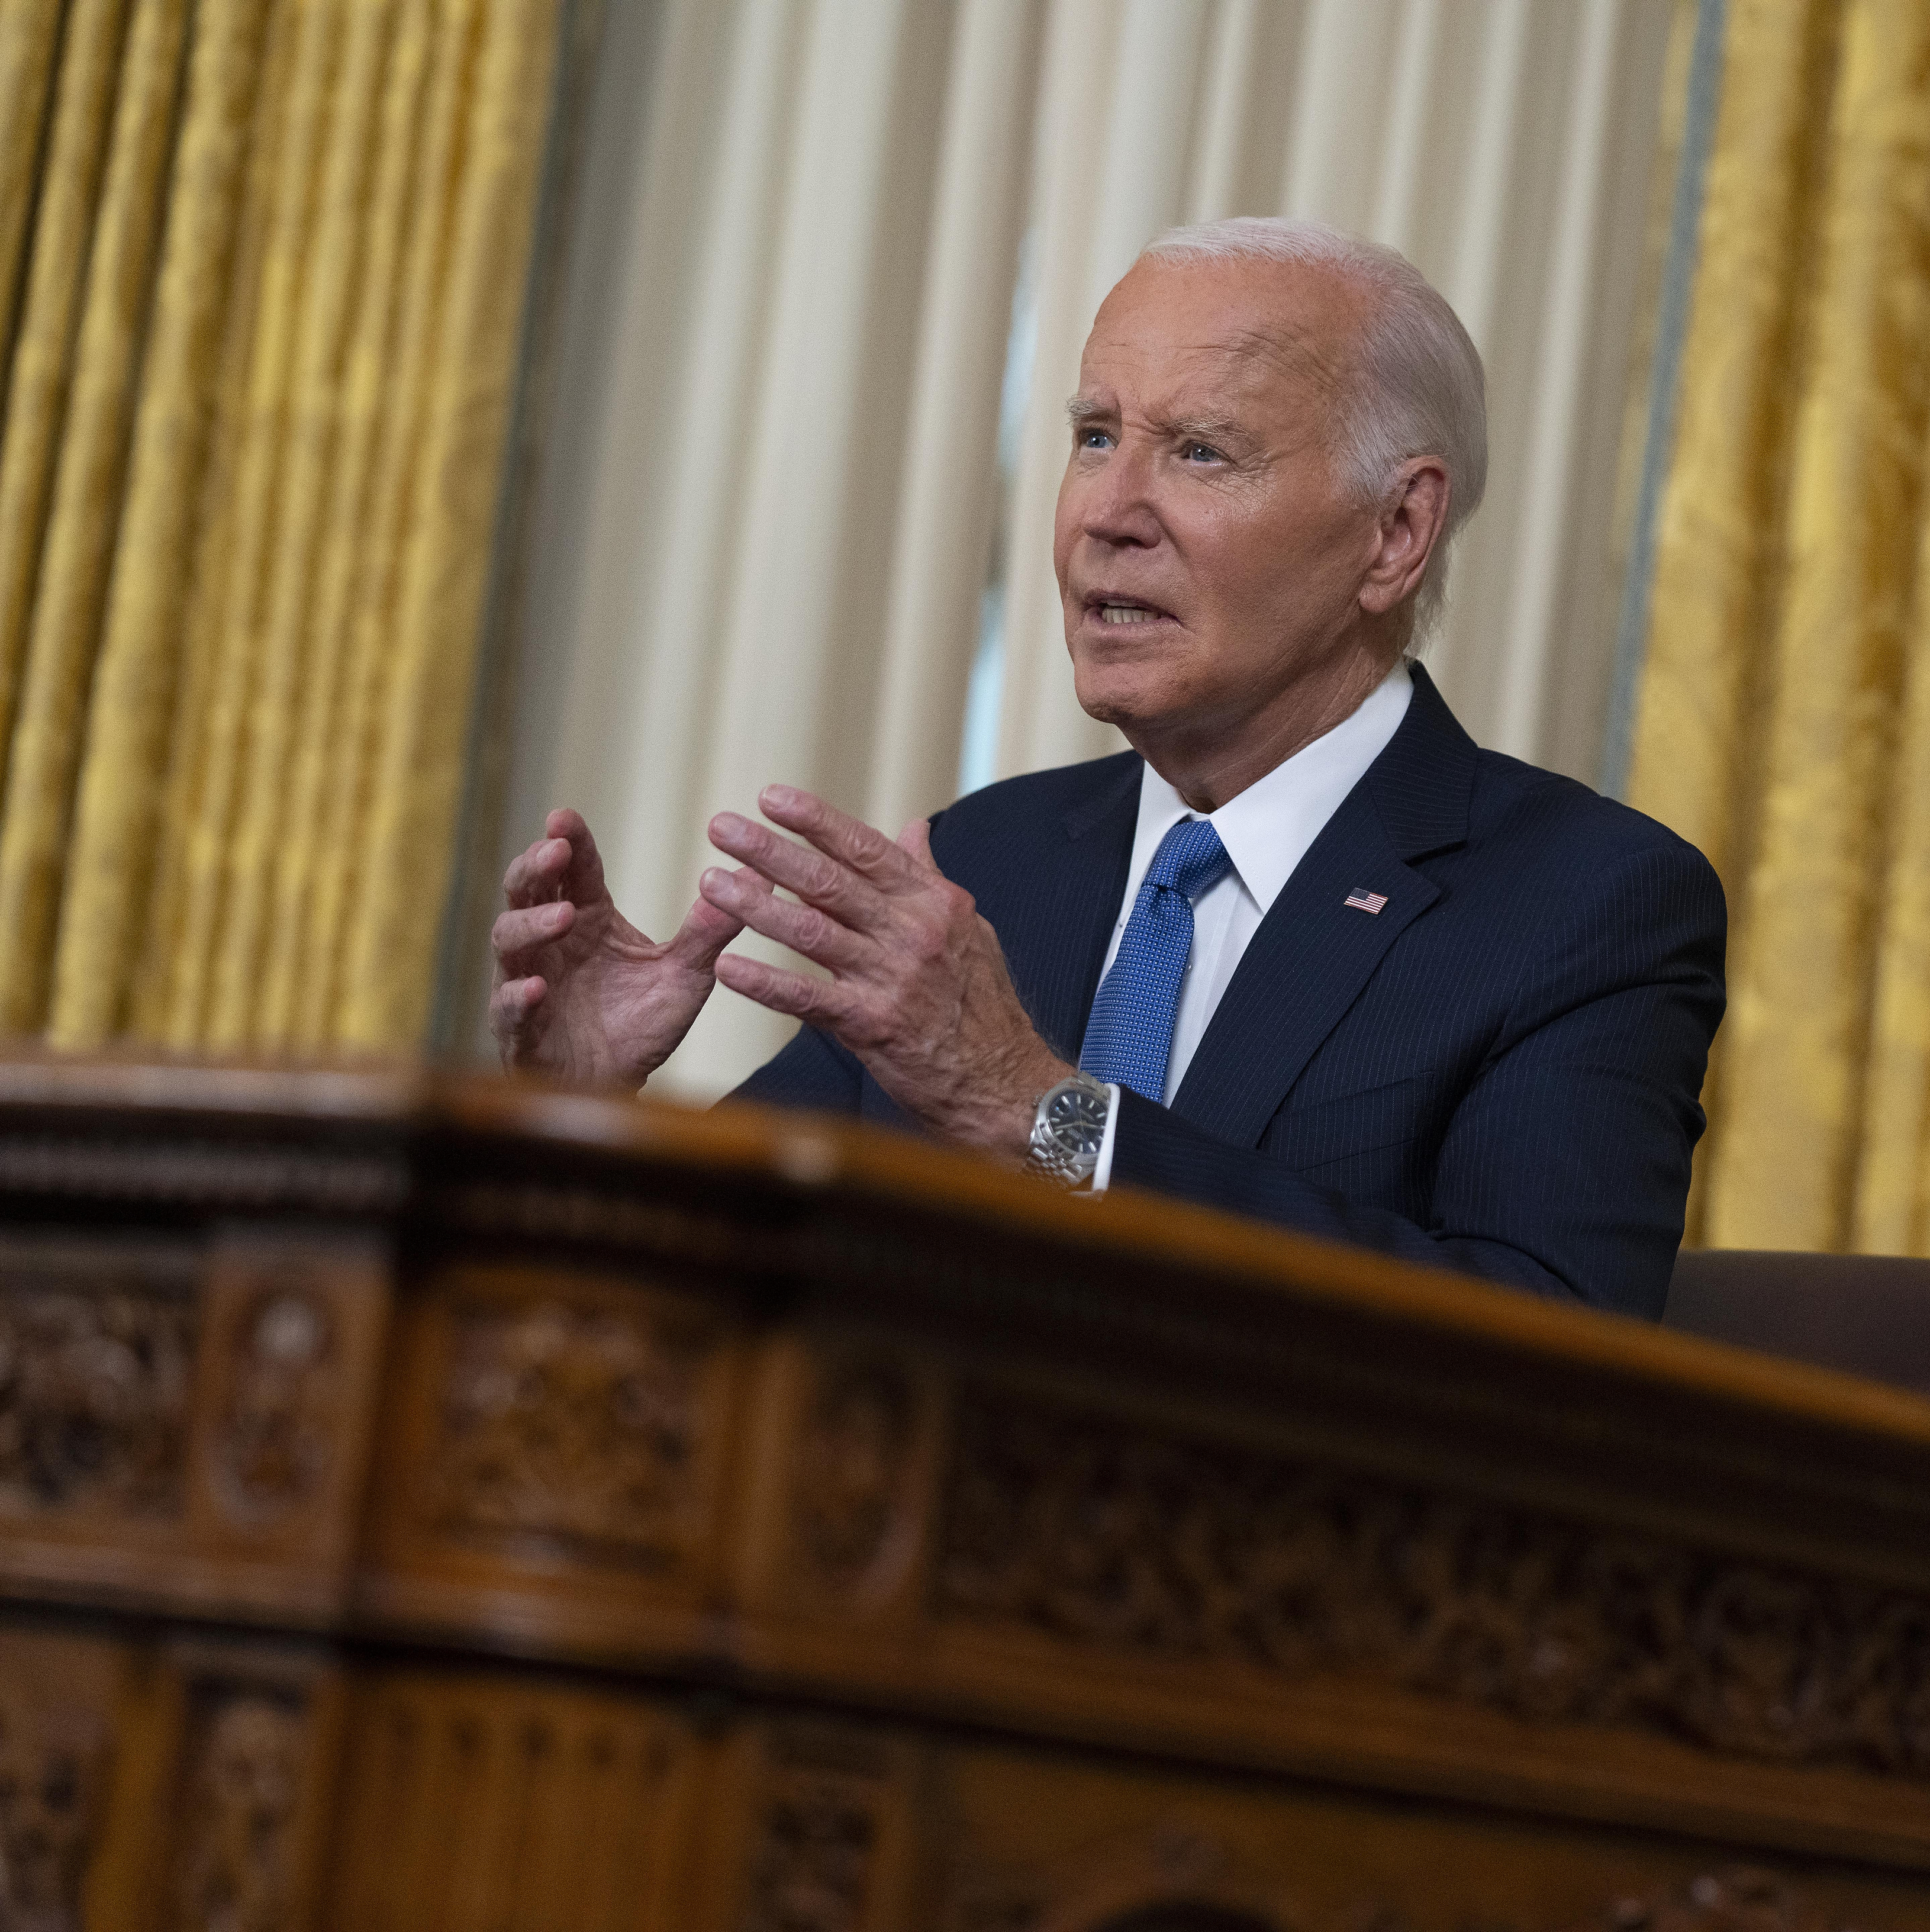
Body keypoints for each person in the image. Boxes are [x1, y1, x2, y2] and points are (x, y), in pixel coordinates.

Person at [488, 218, 1725, 1318]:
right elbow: (722, 1283)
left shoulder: (1583, 906)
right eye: (1092, 436)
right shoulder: (987, 864)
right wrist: (584, 1117)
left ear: (1396, 534)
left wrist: (1046, 1119)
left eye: (1199, 452)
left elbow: (1552, 1359)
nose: (1107, 512)